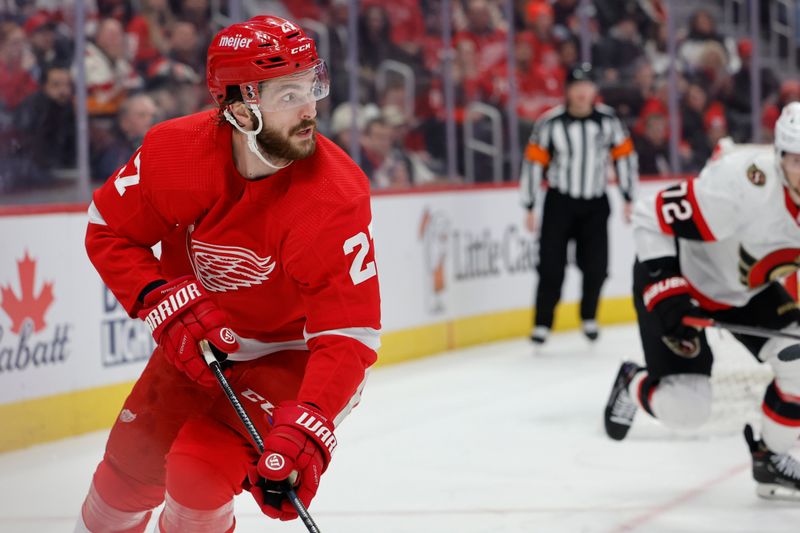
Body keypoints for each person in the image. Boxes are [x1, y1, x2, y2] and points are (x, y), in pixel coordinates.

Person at [75, 15, 381, 532]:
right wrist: (157, 297)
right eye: (289, 95)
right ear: (240, 110)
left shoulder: (334, 196)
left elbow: (348, 333)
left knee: (198, 472)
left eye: (312, 87)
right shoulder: (174, 153)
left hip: (291, 355)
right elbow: (108, 229)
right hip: (197, 345)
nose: (310, 109)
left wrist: (309, 423)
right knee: (122, 480)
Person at [603, 104, 800, 500]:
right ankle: (633, 380)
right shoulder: (743, 186)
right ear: (779, 159)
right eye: (799, 161)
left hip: (747, 292)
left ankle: (769, 458)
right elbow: (649, 216)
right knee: (686, 410)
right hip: (681, 281)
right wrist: (669, 291)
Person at [520, 63, 638, 345]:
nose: (582, 92)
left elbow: (624, 157)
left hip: (595, 203)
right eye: (576, 87)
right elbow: (533, 164)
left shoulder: (608, 121)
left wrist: (628, 196)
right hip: (560, 202)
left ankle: (589, 315)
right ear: (567, 90)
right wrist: (529, 204)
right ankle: (543, 323)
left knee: (597, 266)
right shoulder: (550, 123)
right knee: (551, 265)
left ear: (594, 90)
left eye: (587, 86)